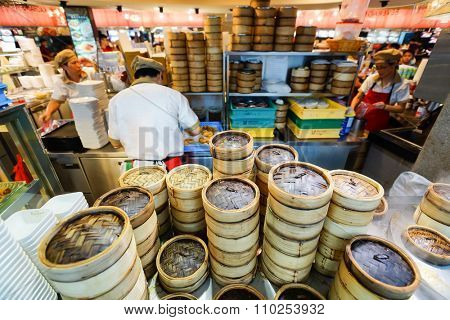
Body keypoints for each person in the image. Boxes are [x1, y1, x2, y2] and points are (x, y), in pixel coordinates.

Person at [108, 56, 200, 170]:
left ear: (135, 76)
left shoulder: (116, 100)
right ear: (159, 75)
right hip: (170, 165)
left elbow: (115, 142)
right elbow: (195, 130)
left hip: (137, 168)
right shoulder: (174, 95)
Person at [350, 49, 410, 132]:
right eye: (377, 67)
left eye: (383, 67)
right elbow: (358, 97)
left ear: (393, 65)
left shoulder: (402, 84)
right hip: (359, 120)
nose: (379, 71)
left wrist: (385, 107)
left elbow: (401, 108)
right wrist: (351, 110)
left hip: (378, 125)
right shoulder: (372, 79)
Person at [39, 49, 92, 123]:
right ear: (64, 66)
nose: (79, 65)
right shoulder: (61, 83)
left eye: (78, 62)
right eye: (74, 63)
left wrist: (92, 64)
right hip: (80, 116)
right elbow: (56, 100)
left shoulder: (89, 72)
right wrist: (48, 113)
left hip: (97, 110)